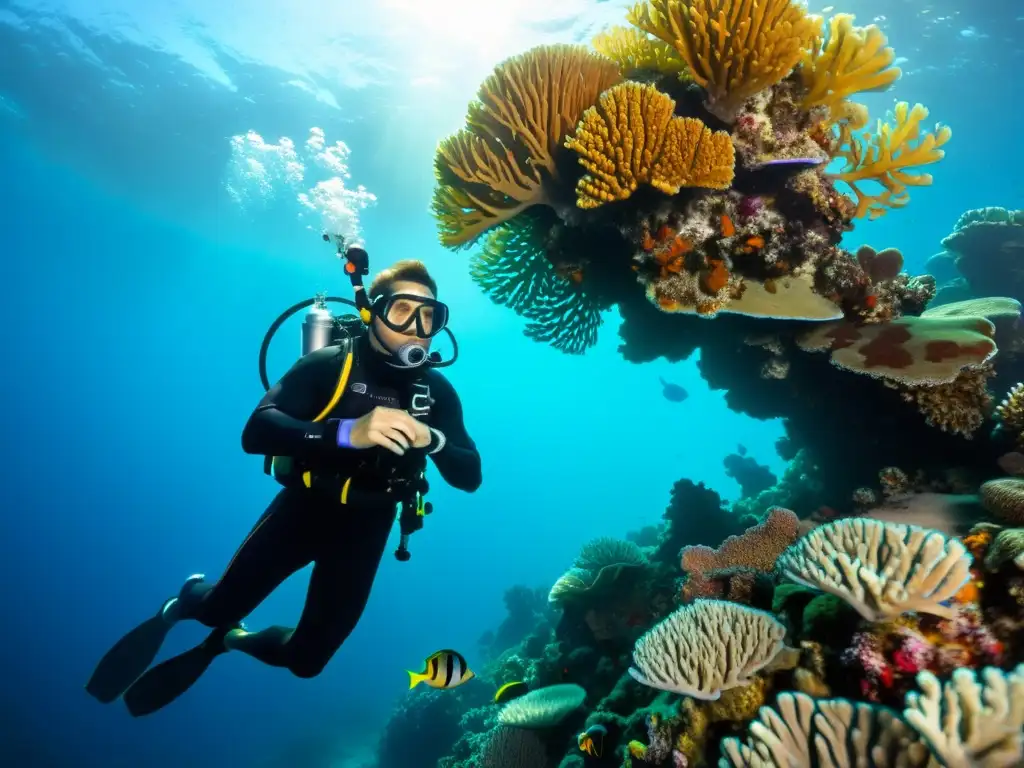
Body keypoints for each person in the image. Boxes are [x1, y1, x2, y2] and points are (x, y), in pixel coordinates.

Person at [86, 258, 482, 716]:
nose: (417, 327)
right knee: (216, 607)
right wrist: (346, 433)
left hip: (369, 525)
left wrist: (434, 439)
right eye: (402, 311)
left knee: (308, 661)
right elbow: (256, 432)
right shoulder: (330, 363)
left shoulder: (436, 393)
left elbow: (469, 476)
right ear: (373, 312)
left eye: (430, 315)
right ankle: (186, 601)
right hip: (304, 509)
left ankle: (232, 640)